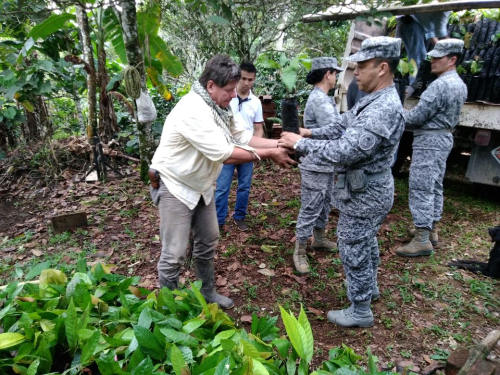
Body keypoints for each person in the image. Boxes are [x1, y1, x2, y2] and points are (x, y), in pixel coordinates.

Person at [149, 55, 296, 309]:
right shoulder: (192, 110)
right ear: (210, 86)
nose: (233, 95)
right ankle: (168, 309)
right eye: (229, 91)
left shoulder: (221, 108)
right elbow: (224, 153)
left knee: (208, 240)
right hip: (175, 185)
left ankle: (207, 292)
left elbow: (243, 136)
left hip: (201, 185)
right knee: (174, 253)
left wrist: (281, 143)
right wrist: (271, 153)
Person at [279, 37, 405, 328]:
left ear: (382, 68)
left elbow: (345, 151)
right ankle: (369, 289)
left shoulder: (382, 108)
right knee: (366, 241)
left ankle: (360, 309)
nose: (355, 72)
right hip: (368, 189)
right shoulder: (374, 101)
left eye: (361, 66)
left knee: (352, 244)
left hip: (366, 192)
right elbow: (343, 125)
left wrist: (300, 145)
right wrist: (309, 134)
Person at [396, 39, 467, 258]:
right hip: (443, 138)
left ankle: (422, 240)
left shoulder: (440, 85)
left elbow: (417, 117)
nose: (433, 60)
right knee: (435, 185)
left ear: (452, 59)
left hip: (429, 141)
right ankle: (431, 229)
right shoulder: (460, 84)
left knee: (421, 187)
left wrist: (397, 112)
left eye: (438, 57)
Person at [293, 57, 344, 275]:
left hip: (326, 162)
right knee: (311, 206)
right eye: (335, 73)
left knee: (325, 202)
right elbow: (335, 130)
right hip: (316, 163)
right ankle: (300, 250)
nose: (336, 77)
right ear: (328, 74)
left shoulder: (323, 98)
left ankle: (320, 238)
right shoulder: (320, 100)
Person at [215, 62, 264, 232]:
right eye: (243, 78)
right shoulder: (228, 97)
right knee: (222, 186)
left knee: (244, 185)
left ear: (254, 80)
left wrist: (257, 151)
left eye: (250, 79)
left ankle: (240, 216)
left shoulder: (256, 103)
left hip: (248, 148)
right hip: (227, 149)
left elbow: (258, 128)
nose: (246, 83)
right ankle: (219, 221)